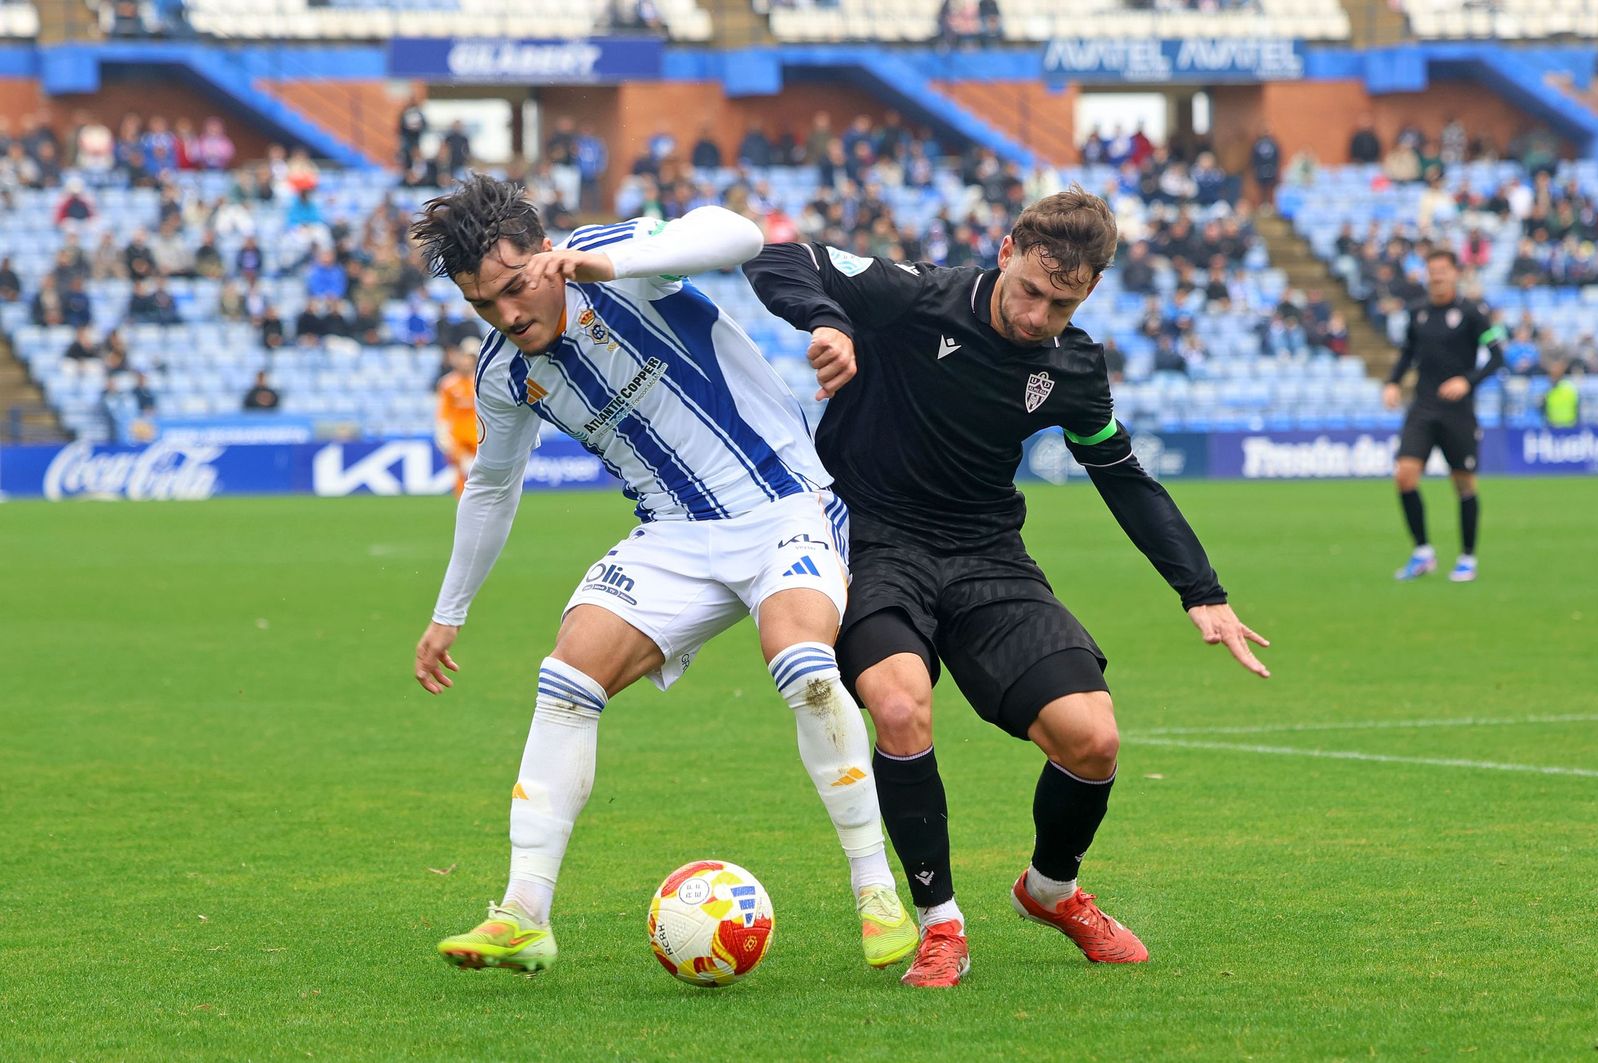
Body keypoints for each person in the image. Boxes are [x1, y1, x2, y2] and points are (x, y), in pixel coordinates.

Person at [743, 187, 1270, 988]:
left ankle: (1050, 889)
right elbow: (777, 257)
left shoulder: (1073, 364)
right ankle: (940, 923)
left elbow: (1121, 476)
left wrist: (1200, 589)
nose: (1036, 316)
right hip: (874, 538)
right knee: (897, 701)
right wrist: (829, 321)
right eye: (1029, 290)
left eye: (1060, 302)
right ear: (1005, 253)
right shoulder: (916, 295)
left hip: (987, 552)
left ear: (1088, 291)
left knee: (1093, 738)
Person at [408, 175, 917, 977]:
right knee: (567, 672)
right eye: (484, 305)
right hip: (675, 537)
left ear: (544, 254)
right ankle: (523, 913)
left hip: (784, 502)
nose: (506, 314)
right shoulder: (507, 374)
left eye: (513, 288)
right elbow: (493, 486)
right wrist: (451, 611)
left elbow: (738, 233)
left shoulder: (618, 259)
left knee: (803, 664)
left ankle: (875, 889)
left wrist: (614, 266)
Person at [1382, 250, 1507, 584]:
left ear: (1455, 274)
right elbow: (1408, 353)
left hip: (1458, 413)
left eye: (1442, 271)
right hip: (1422, 408)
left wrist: (1467, 381)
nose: (1436, 276)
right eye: (1431, 270)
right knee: (1404, 476)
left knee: (1463, 483)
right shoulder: (1418, 312)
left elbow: (1497, 358)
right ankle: (1423, 552)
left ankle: (1467, 558)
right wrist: (1393, 382)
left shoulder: (1473, 313)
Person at [435, 339, 479, 498]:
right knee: (461, 470)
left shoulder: (481, 382)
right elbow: (443, 412)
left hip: (479, 434)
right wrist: (443, 433)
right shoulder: (448, 383)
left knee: (482, 472)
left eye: (471, 359)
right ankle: (463, 502)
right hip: (457, 435)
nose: (467, 363)